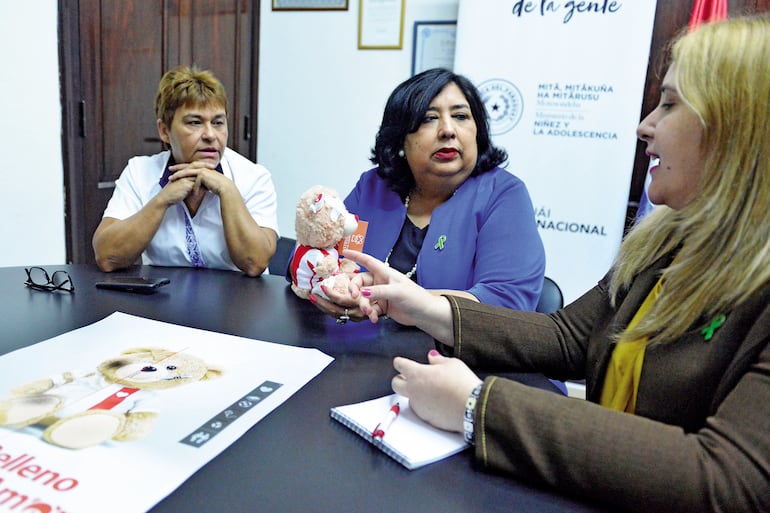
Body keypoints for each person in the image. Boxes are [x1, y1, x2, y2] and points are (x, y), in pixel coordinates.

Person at [329, 15, 770, 513]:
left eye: (668, 105)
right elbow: (567, 336)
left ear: (740, 128)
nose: (645, 126)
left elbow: (731, 482)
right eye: (429, 119)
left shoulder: (502, 194)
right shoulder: (667, 244)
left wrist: (480, 408)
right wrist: (419, 306)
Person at [311, 68, 545, 320]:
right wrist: (336, 289)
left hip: (452, 353)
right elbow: (313, 255)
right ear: (401, 138)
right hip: (362, 345)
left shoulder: (503, 195)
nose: (447, 130)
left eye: (461, 116)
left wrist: (393, 300)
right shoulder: (375, 186)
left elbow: (507, 303)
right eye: (428, 118)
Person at [93, 66, 278, 276]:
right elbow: (107, 257)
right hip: (165, 301)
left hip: (238, 303)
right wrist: (162, 200)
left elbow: (255, 263)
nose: (210, 135)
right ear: (164, 131)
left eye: (218, 123)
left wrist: (227, 190)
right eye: (195, 123)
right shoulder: (139, 172)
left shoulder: (253, 177)